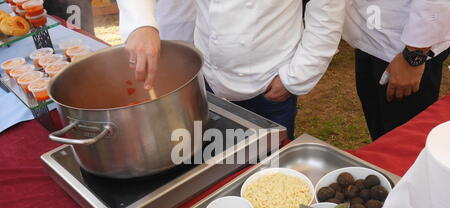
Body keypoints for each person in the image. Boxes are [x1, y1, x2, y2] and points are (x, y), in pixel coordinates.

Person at [117, 0, 346, 140]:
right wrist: (141, 23)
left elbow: (328, 11)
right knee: (211, 161)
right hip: (207, 76)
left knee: (270, 172)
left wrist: (295, 78)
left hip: (268, 84)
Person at [344, 0, 450, 141]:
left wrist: (415, 54)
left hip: (402, 48)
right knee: (380, 136)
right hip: (370, 35)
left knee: (405, 142)